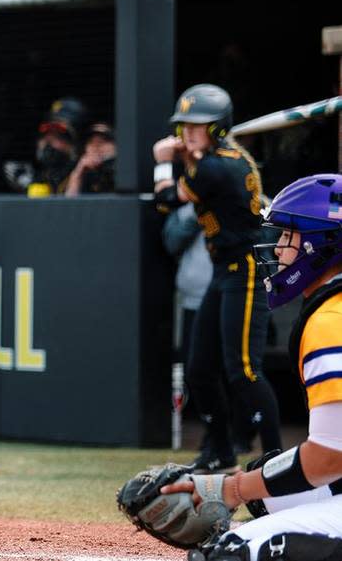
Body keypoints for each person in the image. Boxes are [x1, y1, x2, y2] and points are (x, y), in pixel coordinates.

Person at [162, 173, 342, 561]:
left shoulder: (331, 319)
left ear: (322, 241)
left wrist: (233, 489)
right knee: (271, 488)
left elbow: (329, 457)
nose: (277, 249)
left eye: (288, 236)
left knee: (228, 553)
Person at [152, 83, 282, 472]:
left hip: (245, 270)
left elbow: (164, 200)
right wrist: (189, 153)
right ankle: (220, 448)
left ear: (217, 128)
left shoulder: (217, 166)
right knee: (198, 370)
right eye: (184, 127)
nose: (187, 134)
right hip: (222, 270)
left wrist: (162, 159)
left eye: (197, 127)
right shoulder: (214, 160)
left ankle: (277, 458)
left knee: (243, 370)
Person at [3, 97, 86, 196]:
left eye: (58, 136)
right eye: (46, 134)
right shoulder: (25, 171)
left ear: (75, 144)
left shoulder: (84, 173)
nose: (49, 141)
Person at [64, 122, 116, 196]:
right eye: (91, 141)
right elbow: (68, 204)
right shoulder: (84, 173)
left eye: (103, 141)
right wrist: (78, 174)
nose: (96, 146)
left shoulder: (124, 170)